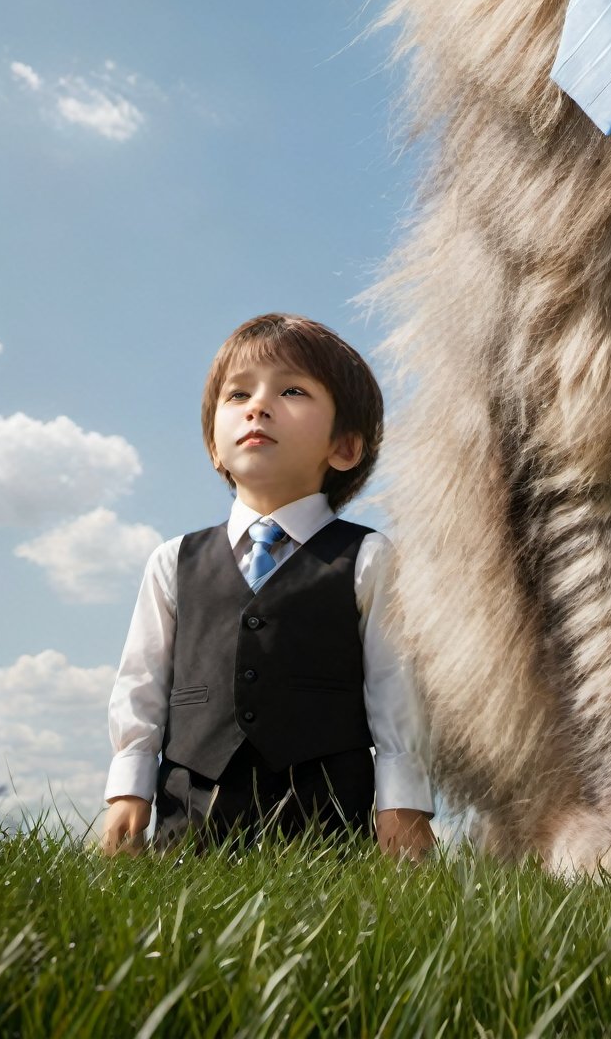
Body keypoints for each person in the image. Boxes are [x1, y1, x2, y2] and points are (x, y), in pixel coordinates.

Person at [100, 312, 434, 857]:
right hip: (192, 819)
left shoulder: (368, 556)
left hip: (326, 822)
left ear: (345, 447)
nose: (257, 405)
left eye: (293, 390)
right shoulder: (172, 561)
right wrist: (128, 789)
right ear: (214, 446)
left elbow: (395, 688)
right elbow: (142, 680)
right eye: (237, 395)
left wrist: (403, 801)